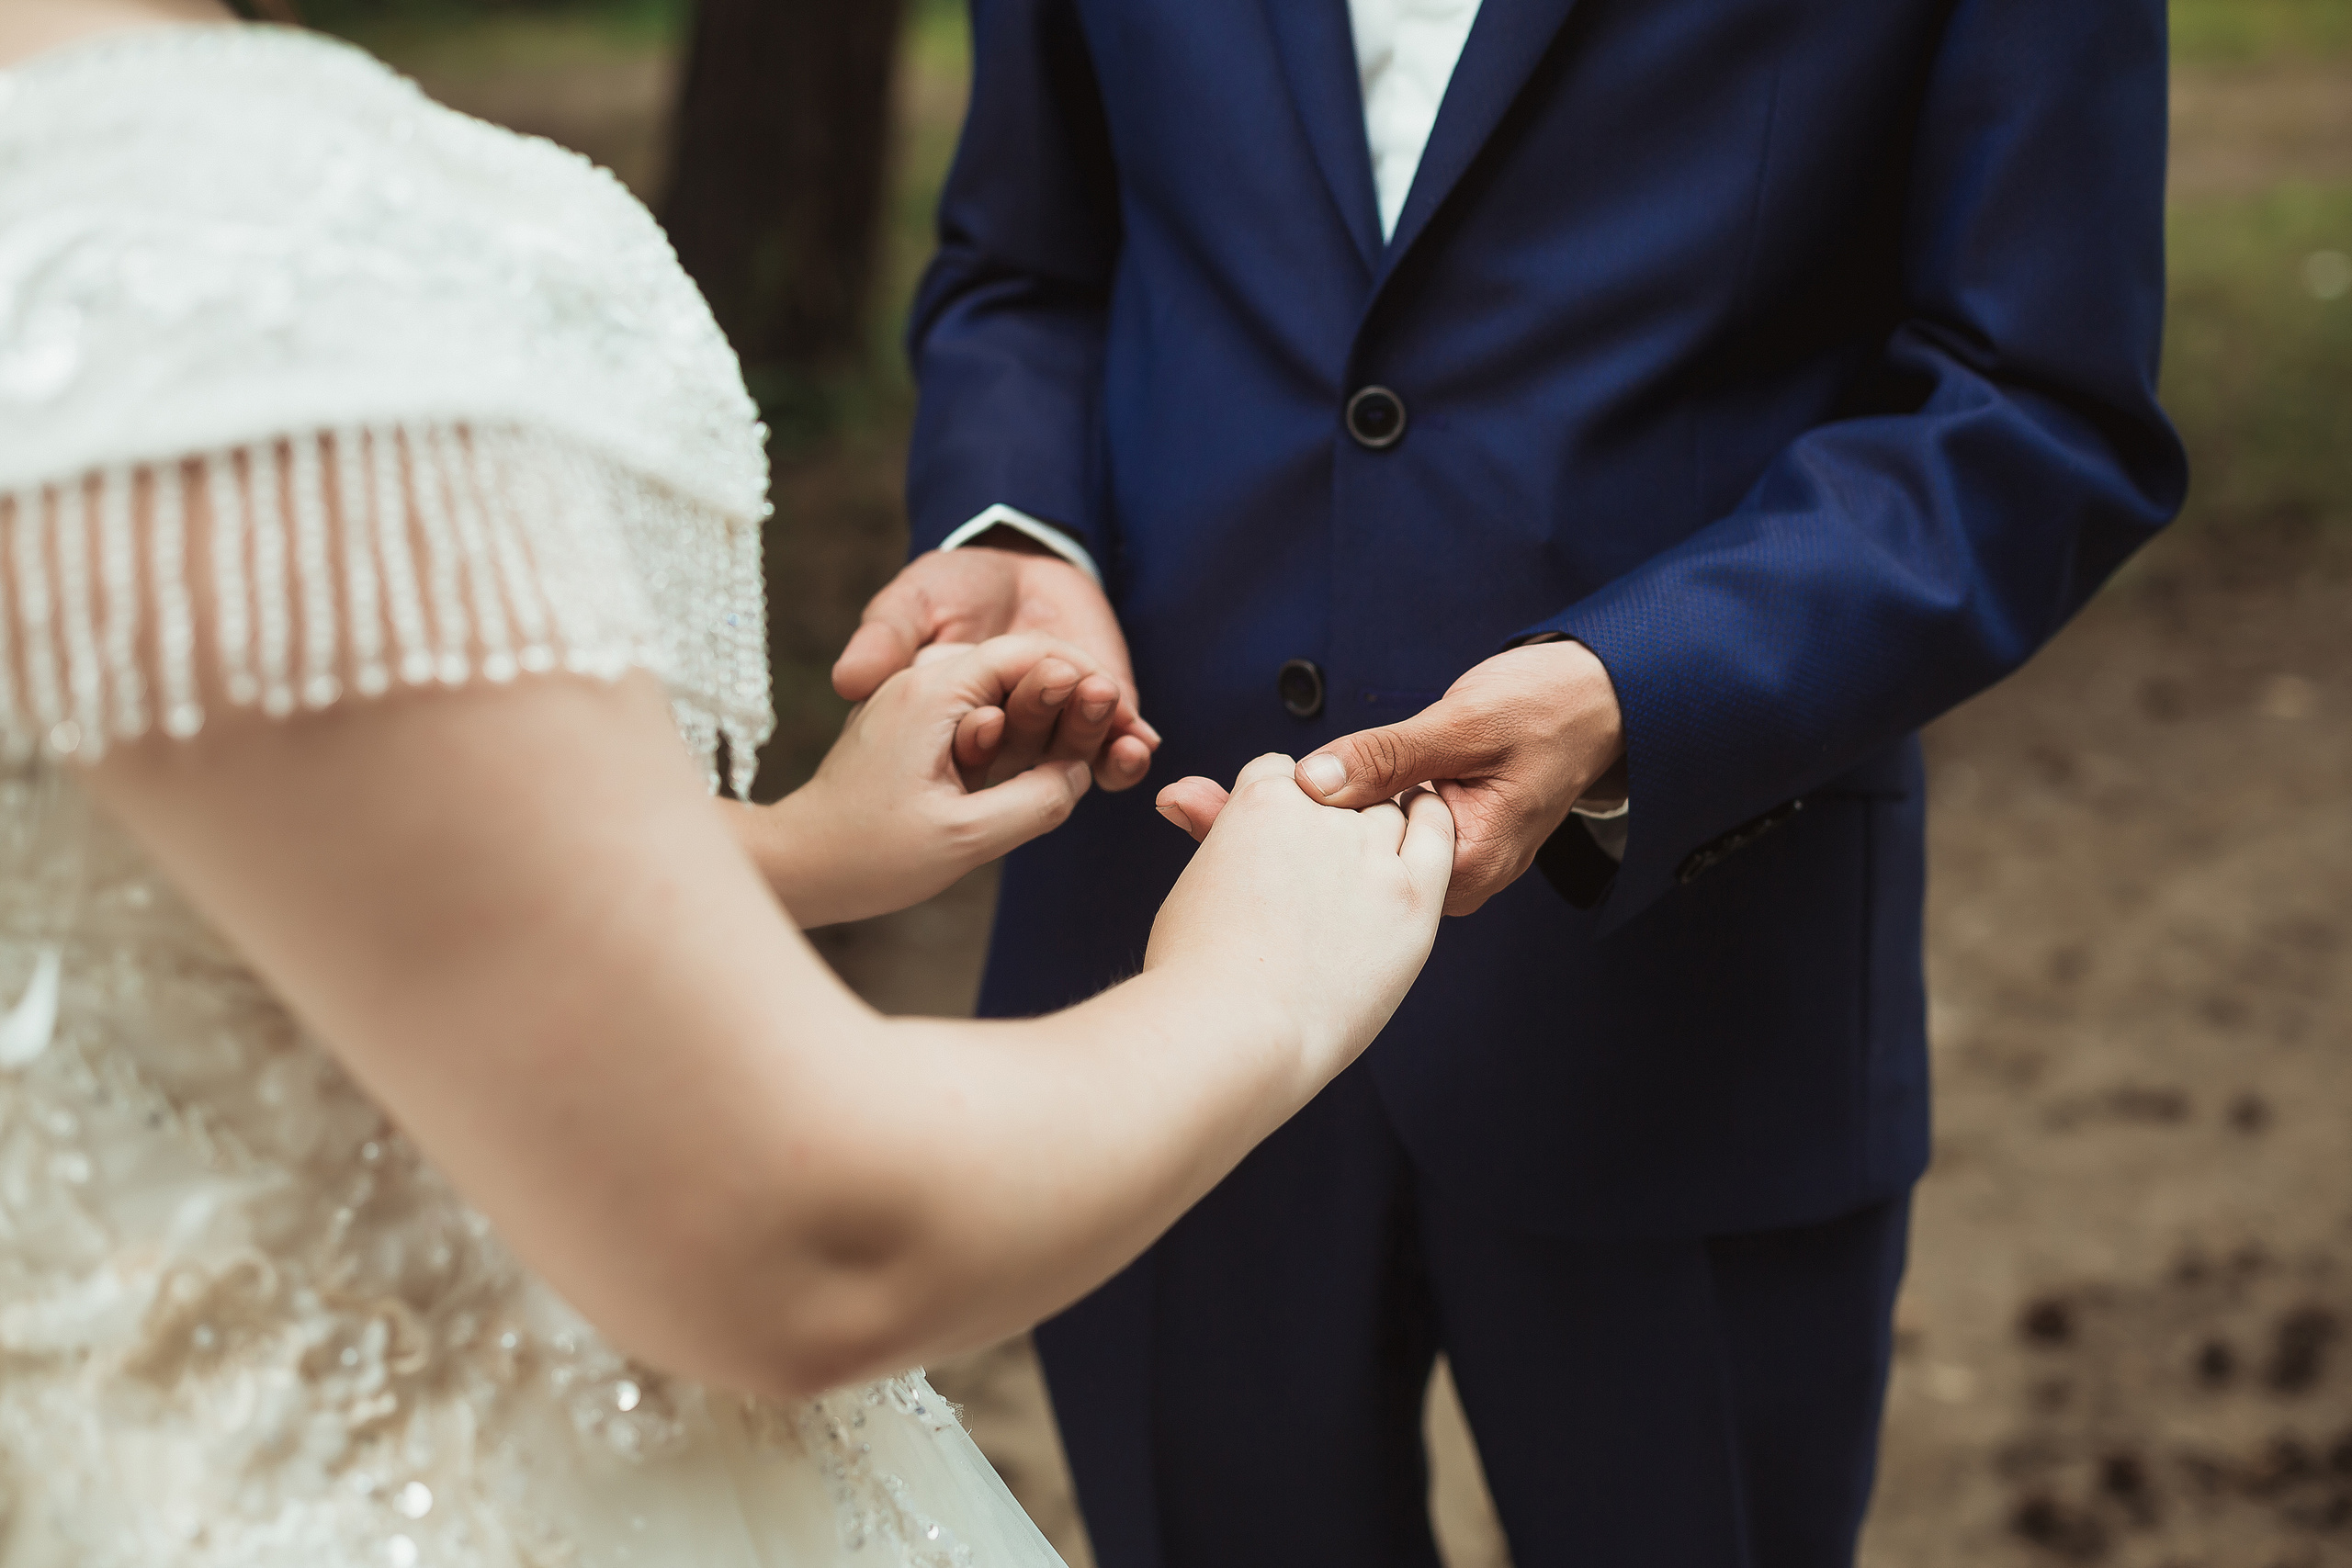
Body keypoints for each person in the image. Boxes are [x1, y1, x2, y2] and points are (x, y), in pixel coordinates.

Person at [0, 5, 1457, 1564]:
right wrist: (1261, 986)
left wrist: (785, 851)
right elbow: (800, 1237)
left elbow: (126, 869)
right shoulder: (185, 259)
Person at [842, 0, 2188, 1562]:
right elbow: (1030, 265)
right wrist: (1022, 529)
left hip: (1685, 983)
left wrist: (1639, 684)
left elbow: (2035, 402)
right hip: (1154, 958)